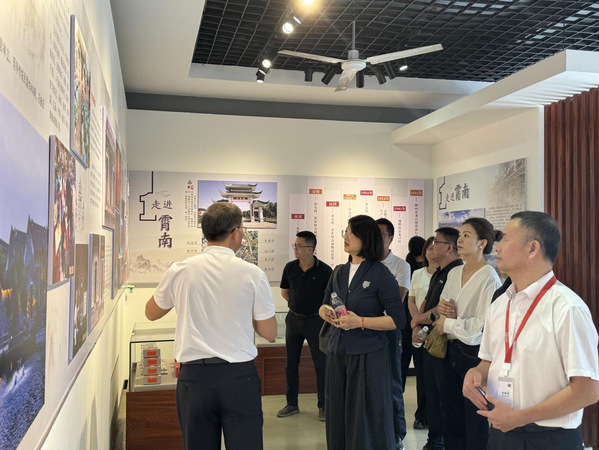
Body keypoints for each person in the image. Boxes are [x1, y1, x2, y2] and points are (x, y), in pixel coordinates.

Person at [145, 203, 277, 450]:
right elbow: (270, 333)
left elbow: (151, 313)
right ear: (235, 232)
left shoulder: (180, 270)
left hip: (194, 379)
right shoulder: (252, 274)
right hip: (239, 378)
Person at [463, 211, 599, 450]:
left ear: (532, 248)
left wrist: (520, 417)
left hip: (550, 438)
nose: (497, 247)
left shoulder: (567, 308)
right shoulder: (499, 305)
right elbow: (488, 362)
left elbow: (586, 391)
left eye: (505, 239)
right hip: (501, 432)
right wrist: (475, 374)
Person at [319, 215, 404, 450]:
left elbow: (397, 320)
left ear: (365, 238)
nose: (346, 237)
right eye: (345, 232)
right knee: (337, 410)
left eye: (351, 233)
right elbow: (325, 304)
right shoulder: (339, 271)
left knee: (364, 414)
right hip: (337, 351)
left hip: (368, 354)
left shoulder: (380, 273)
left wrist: (360, 322)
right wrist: (325, 312)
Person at [434, 218, 502, 450]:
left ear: (482, 243)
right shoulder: (455, 272)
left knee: (475, 416)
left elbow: (482, 326)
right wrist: (443, 310)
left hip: (473, 353)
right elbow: (444, 306)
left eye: (466, 235)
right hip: (449, 349)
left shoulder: (489, 276)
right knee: (450, 414)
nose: (460, 240)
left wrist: (449, 323)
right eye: (460, 235)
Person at [411, 227, 463, 450]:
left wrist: (418, 320)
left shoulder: (456, 273)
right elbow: (426, 303)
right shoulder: (439, 272)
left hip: (445, 345)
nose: (432, 247)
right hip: (430, 340)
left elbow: (442, 309)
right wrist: (418, 324)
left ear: (449, 248)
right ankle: (434, 441)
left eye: (437, 243)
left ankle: (439, 442)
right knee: (431, 393)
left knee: (444, 398)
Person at [277, 231, 332, 421]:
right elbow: (285, 291)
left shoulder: (324, 270)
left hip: (316, 322)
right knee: (291, 364)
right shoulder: (290, 267)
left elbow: (329, 298)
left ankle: (323, 406)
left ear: (310, 249)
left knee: (321, 365)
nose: (296, 249)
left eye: (299, 246)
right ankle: (291, 403)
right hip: (293, 320)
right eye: (295, 245)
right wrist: (295, 305)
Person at [376, 218, 410, 450]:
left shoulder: (400, 265)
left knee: (393, 383)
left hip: (388, 330)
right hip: (366, 330)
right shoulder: (364, 263)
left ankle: (397, 433)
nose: (376, 239)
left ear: (390, 238)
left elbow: (396, 300)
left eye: (381, 234)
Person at [407, 236, 437, 431]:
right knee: (422, 375)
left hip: (437, 328)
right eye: (428, 249)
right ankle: (422, 415)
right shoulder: (418, 273)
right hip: (418, 329)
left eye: (435, 248)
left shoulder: (448, 275)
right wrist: (417, 324)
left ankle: (436, 416)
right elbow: (411, 301)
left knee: (436, 376)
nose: (431, 252)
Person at [401, 236, 426, 393]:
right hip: (421, 321)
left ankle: (397, 401)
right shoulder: (425, 270)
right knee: (421, 369)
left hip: (405, 321)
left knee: (401, 366)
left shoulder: (406, 266)